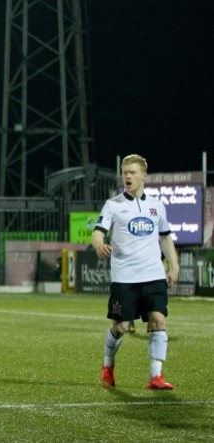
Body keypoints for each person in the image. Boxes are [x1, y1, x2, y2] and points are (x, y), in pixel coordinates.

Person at [92, 154, 179, 390]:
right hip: (125, 277)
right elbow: (98, 232)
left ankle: (156, 376)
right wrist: (98, 244)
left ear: (143, 175)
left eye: (132, 172)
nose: (127, 176)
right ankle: (108, 366)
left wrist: (174, 266)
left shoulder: (157, 206)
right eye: (124, 172)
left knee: (158, 320)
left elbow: (165, 238)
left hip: (153, 274)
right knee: (120, 327)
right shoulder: (113, 205)